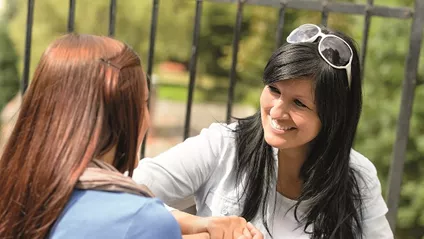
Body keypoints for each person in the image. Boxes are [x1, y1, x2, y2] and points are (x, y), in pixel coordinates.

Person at [133, 24, 394, 239]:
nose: (277, 111)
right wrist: (203, 228)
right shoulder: (224, 145)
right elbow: (127, 193)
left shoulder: (357, 176)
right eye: (274, 90)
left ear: (333, 117)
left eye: (299, 103)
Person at [0, 34, 183, 239]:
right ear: (123, 117)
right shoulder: (143, 220)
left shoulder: (13, 196)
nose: (147, 120)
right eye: (143, 103)